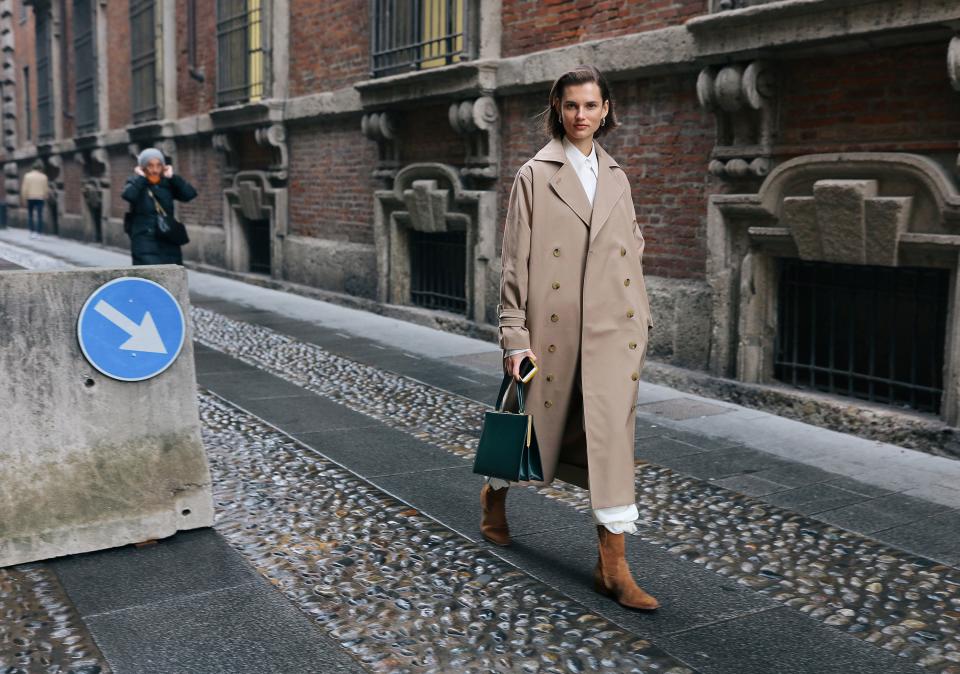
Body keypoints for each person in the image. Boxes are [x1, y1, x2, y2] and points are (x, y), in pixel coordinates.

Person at [484, 65, 658, 610]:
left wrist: (637, 314)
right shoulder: (535, 175)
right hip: (553, 333)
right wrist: (515, 336)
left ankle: (613, 566)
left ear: (607, 111)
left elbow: (632, 246)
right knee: (532, 427)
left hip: (610, 332)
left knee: (611, 443)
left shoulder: (618, 176)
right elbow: (516, 262)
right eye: (571, 106)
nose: (581, 116)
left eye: (591, 106)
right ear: (557, 110)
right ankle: (494, 497)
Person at [122, 148, 197, 265]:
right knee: (149, 277)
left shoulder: (168, 183)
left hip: (168, 237)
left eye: (158, 165)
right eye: (150, 166)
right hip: (145, 240)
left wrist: (172, 177)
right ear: (142, 167)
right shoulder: (135, 182)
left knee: (170, 277)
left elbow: (190, 194)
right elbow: (128, 195)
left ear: (163, 166)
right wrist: (141, 178)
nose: (155, 170)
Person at [20, 160, 49, 240]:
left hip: (30, 198)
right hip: (40, 198)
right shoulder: (44, 177)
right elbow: (46, 189)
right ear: (40, 168)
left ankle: (31, 232)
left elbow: (24, 189)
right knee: (39, 216)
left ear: (33, 168)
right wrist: (45, 197)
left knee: (30, 215)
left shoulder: (27, 176)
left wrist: (24, 198)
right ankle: (39, 233)